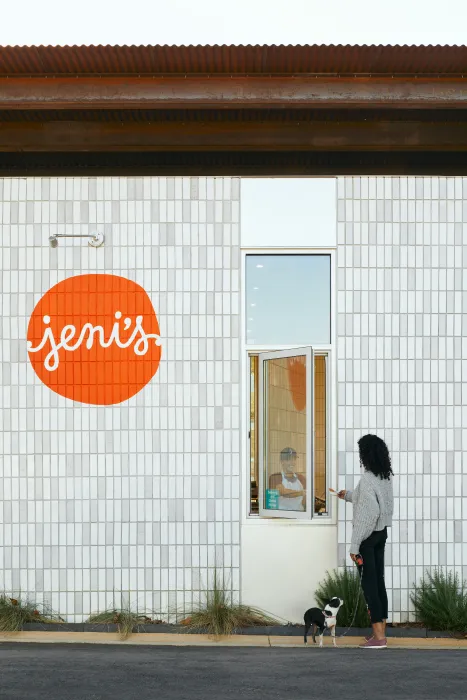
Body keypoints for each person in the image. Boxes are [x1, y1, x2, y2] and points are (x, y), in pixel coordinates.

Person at [338, 434, 394, 649]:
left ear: (366, 454)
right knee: (378, 582)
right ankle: (380, 632)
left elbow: (367, 515)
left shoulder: (368, 479)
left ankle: (379, 638)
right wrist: (347, 495)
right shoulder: (384, 477)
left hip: (368, 539)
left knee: (369, 587)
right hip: (381, 534)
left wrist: (354, 547)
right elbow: (370, 501)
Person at [276, 447, 305, 511]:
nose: (292, 462)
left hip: (299, 516)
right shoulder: (276, 477)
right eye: (288, 460)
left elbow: (305, 500)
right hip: (282, 517)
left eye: (294, 459)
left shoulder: (301, 478)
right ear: (282, 461)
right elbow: (283, 492)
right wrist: (302, 493)